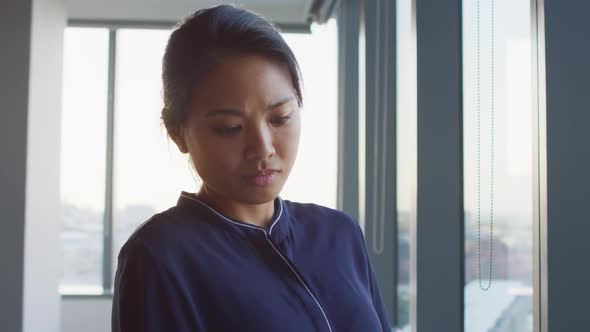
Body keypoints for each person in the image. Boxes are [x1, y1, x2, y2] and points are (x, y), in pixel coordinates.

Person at [111, 4, 391, 332]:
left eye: (280, 118)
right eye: (230, 127)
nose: (263, 148)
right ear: (177, 133)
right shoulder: (159, 257)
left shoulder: (340, 234)